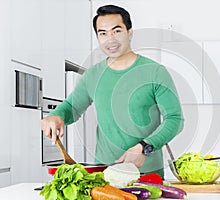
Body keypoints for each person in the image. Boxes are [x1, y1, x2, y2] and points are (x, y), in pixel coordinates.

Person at [41, 4, 184, 177]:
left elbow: (175, 119)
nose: (110, 39)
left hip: (148, 175)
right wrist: (56, 116)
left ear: (129, 32)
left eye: (117, 31)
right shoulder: (92, 75)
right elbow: (72, 107)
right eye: (103, 33)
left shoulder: (155, 72)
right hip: (104, 174)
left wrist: (144, 147)